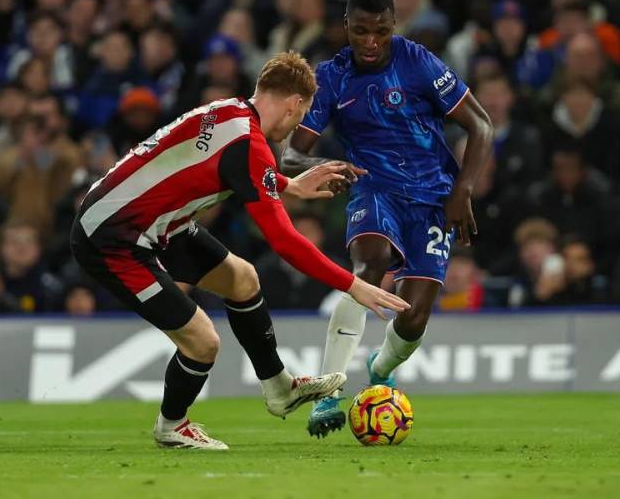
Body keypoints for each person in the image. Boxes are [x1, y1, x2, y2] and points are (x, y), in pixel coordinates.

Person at [70, 51, 408, 450]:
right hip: (112, 236)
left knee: (243, 278)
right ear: (294, 102)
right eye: (302, 115)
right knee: (202, 341)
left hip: (155, 222)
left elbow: (229, 165)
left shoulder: (229, 111)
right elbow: (283, 240)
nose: (298, 124)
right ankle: (171, 426)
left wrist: (290, 184)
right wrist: (352, 284)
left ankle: (279, 388)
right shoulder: (249, 145)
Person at [281, 0, 493, 437]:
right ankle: (328, 394)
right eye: (360, 31)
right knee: (369, 263)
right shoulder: (332, 78)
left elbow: (481, 124)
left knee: (413, 316)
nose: (371, 41)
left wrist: (463, 188)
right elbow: (292, 155)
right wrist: (327, 165)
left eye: (380, 31)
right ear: (346, 28)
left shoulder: (417, 61)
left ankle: (380, 370)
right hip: (374, 187)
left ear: (394, 26)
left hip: (434, 197)